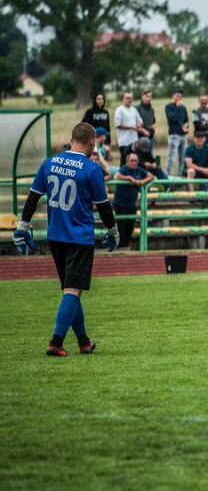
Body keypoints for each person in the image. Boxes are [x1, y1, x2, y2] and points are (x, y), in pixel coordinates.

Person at [12, 123, 119, 356]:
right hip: (79, 237)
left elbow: (33, 197)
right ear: (92, 143)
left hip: (56, 236)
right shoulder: (92, 169)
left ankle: (83, 341)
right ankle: (55, 342)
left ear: (72, 139)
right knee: (72, 290)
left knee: (71, 290)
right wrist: (113, 230)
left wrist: (23, 225)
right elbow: (103, 207)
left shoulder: (50, 162)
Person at [112, 152, 154, 249]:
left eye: (136, 161)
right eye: (132, 161)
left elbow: (151, 176)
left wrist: (142, 182)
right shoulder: (124, 169)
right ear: (127, 162)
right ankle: (119, 246)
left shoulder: (138, 170)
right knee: (121, 227)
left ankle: (125, 245)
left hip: (131, 204)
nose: (134, 163)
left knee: (130, 227)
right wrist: (129, 178)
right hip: (120, 204)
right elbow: (116, 176)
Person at [114, 91, 148, 166]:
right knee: (124, 163)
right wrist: (131, 127)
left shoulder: (134, 110)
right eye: (127, 98)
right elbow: (117, 124)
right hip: (124, 142)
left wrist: (139, 125)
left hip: (134, 142)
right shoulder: (120, 110)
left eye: (131, 98)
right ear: (123, 99)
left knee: (135, 163)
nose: (129, 100)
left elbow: (140, 121)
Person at [165, 88, 189, 176]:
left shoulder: (183, 108)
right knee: (172, 157)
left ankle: (180, 176)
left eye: (180, 96)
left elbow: (186, 120)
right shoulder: (169, 107)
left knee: (183, 158)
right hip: (174, 135)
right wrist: (178, 108)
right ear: (173, 96)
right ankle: (168, 178)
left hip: (183, 135)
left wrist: (187, 128)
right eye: (177, 96)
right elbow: (172, 118)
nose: (179, 98)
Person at [135, 88, 156, 153]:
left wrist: (153, 126)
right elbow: (135, 123)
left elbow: (153, 121)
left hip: (151, 138)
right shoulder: (137, 109)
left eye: (150, 96)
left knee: (150, 158)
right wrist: (143, 130)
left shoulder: (152, 110)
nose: (149, 98)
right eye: (147, 96)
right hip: (141, 138)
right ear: (142, 97)